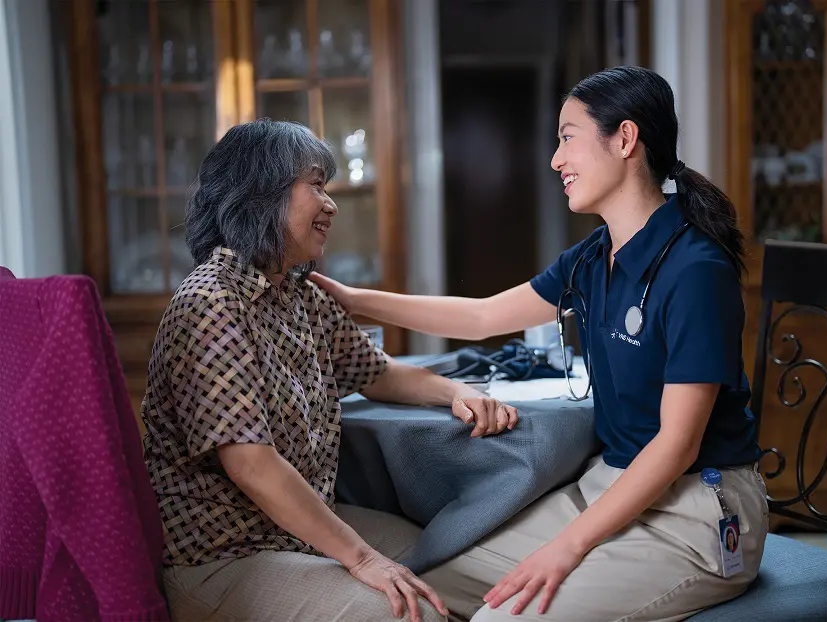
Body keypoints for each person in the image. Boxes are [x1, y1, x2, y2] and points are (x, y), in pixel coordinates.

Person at [309, 66, 769, 621]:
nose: (556, 160)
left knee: (501, 617)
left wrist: (567, 546)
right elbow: (482, 317)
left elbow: (677, 446)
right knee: (423, 586)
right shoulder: (596, 256)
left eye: (567, 137)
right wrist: (351, 299)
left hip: (697, 513)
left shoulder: (695, 269)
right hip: (611, 488)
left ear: (624, 139)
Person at [140, 118, 521, 622]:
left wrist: (455, 392)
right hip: (226, 556)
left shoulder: (300, 292)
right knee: (409, 612)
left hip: (293, 531)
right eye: (316, 185)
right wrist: (362, 557)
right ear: (264, 193)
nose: (331, 204)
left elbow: (379, 373)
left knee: (452, 566)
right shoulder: (210, 303)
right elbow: (250, 463)